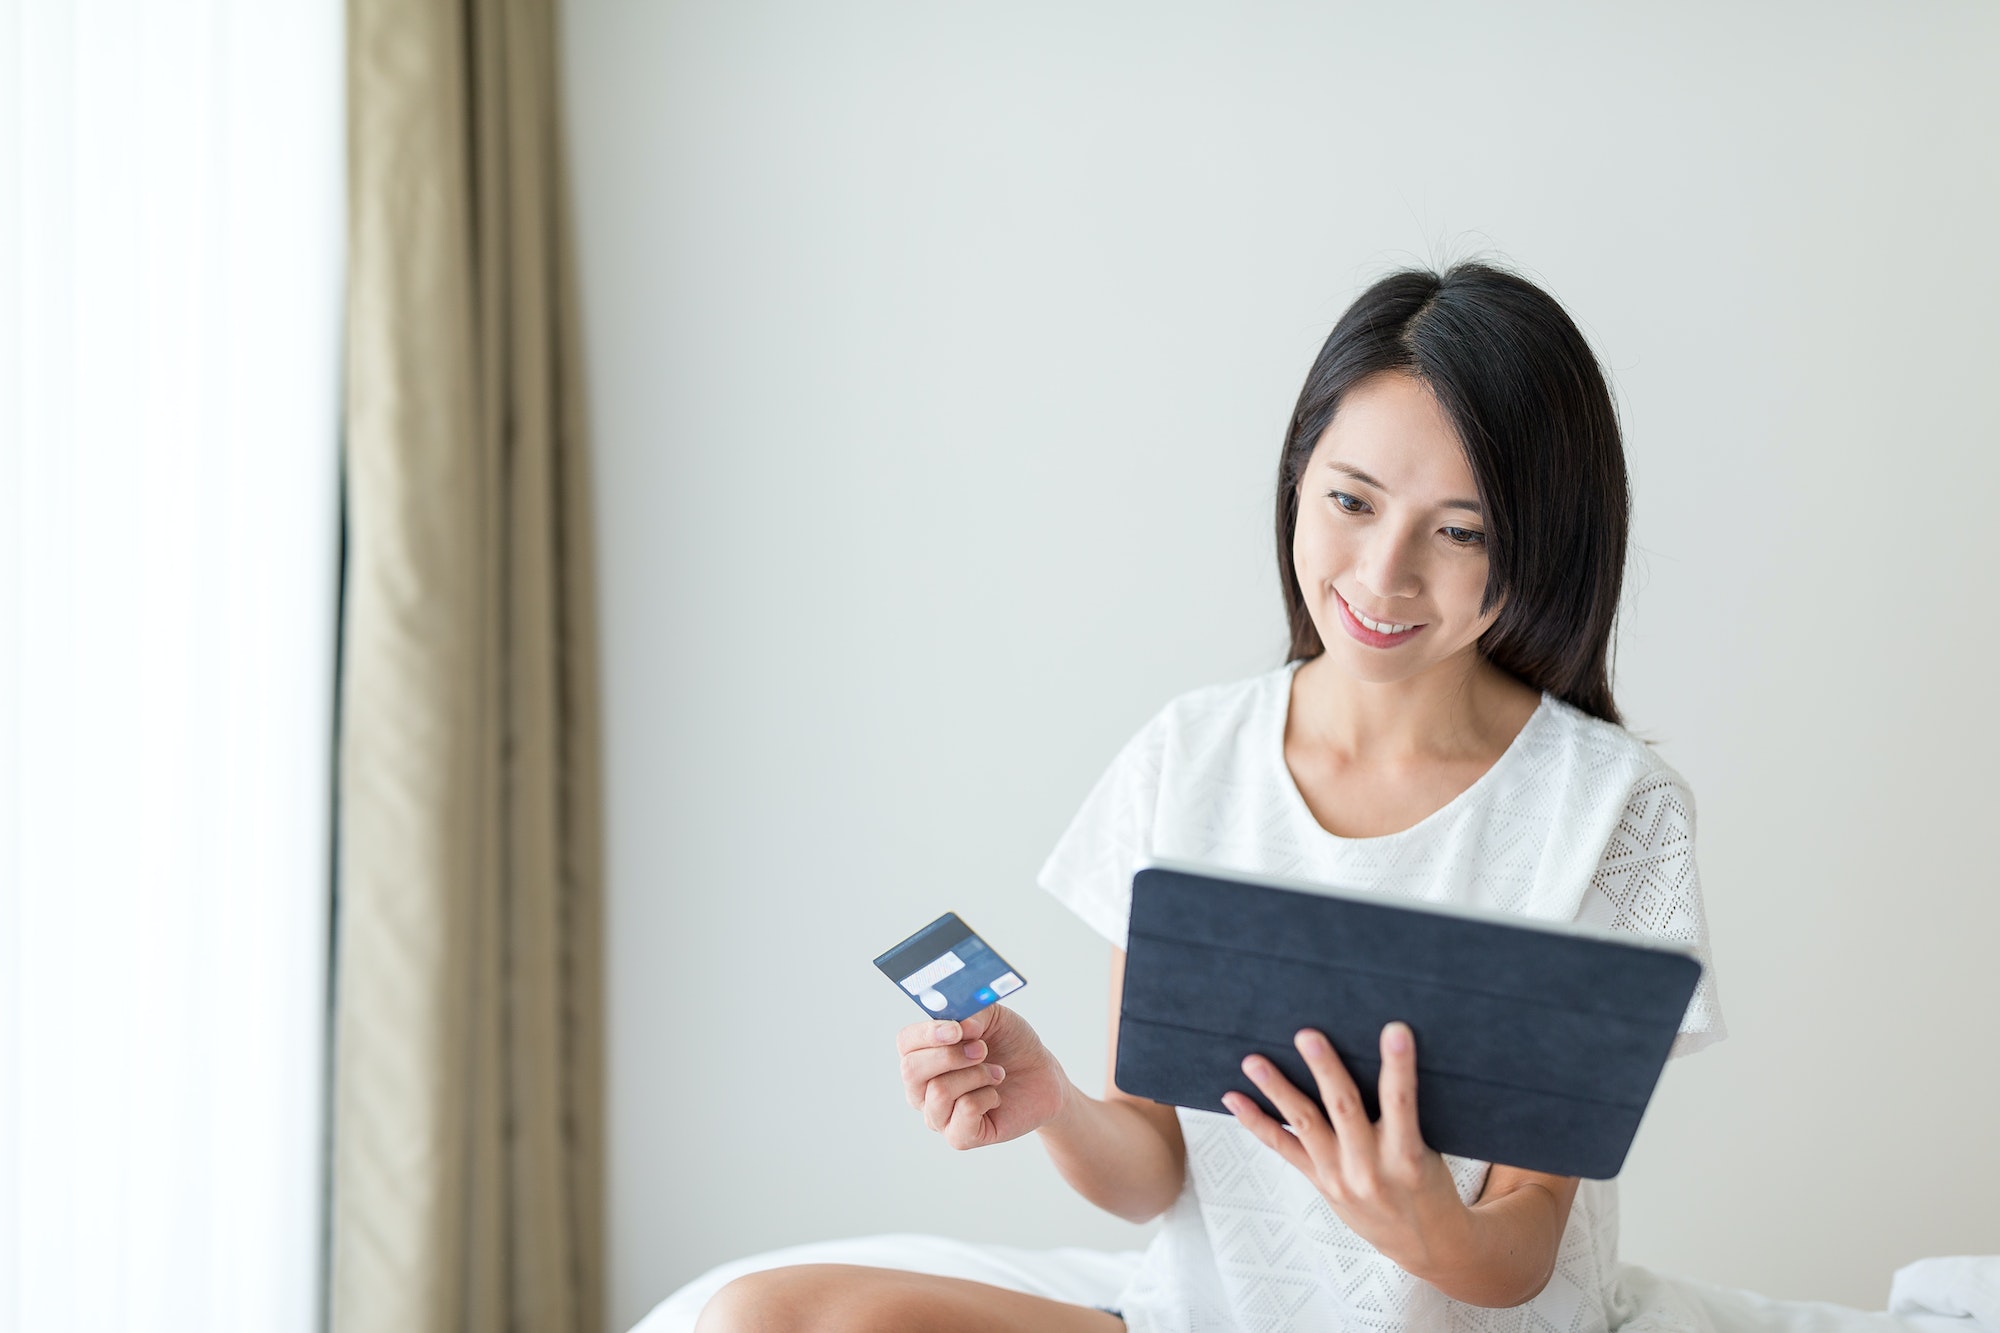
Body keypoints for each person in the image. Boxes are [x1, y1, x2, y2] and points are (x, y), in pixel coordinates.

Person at [687, 262, 1724, 1333]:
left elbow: (1523, 1244)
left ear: (1539, 545)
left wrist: (1423, 1223)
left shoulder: (1609, 809)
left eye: (1457, 531)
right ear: (1296, 478)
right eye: (1349, 500)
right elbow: (1152, 1168)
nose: (1380, 572)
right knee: (758, 1315)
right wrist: (1050, 1103)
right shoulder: (1189, 754)